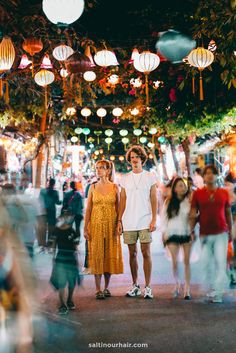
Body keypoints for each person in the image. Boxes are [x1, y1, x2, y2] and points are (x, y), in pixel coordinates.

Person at [117, 145, 157, 299]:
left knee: (146, 252)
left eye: (137, 157)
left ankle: (148, 287)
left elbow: (154, 199)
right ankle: (135, 285)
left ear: (142, 159)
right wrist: (119, 220)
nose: (134, 160)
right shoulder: (125, 178)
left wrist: (154, 218)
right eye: (132, 157)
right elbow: (123, 200)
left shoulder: (150, 177)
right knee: (132, 254)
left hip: (145, 220)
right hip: (128, 221)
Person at [190, 165, 232, 303]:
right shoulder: (198, 194)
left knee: (220, 261)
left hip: (221, 232)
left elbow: (227, 213)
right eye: (207, 173)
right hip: (205, 234)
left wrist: (231, 231)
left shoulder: (224, 193)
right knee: (207, 262)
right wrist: (190, 231)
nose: (209, 176)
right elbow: (193, 214)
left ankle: (218, 292)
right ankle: (214, 287)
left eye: (212, 173)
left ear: (217, 175)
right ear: (203, 177)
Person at [84, 160, 123, 299]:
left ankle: (106, 287)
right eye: (97, 168)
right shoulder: (92, 187)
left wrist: (119, 223)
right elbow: (88, 208)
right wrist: (85, 227)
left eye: (102, 168)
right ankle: (97, 289)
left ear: (108, 170)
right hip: (95, 225)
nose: (99, 170)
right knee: (97, 255)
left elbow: (119, 208)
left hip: (111, 225)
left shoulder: (114, 187)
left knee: (108, 256)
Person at [161, 177, 193, 299]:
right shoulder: (168, 202)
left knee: (186, 262)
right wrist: (164, 233)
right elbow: (164, 218)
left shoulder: (189, 201)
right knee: (174, 262)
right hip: (172, 232)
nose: (183, 188)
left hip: (186, 233)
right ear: (174, 189)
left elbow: (193, 217)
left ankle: (187, 289)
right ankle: (177, 283)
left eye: (184, 185)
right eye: (179, 185)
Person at [50, 211, 80, 315]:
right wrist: (53, 257)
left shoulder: (72, 231)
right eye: (66, 216)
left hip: (71, 259)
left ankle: (69, 300)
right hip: (60, 259)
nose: (68, 218)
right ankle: (62, 304)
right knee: (61, 283)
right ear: (61, 217)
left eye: (69, 215)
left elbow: (76, 247)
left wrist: (78, 260)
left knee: (71, 282)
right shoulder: (56, 230)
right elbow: (53, 245)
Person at [39, 178, 62, 249]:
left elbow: (39, 200)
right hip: (52, 211)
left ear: (48, 183)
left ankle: (43, 244)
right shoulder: (55, 192)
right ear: (54, 184)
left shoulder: (42, 191)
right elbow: (57, 202)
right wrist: (61, 201)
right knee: (51, 227)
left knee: (43, 227)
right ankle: (49, 242)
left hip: (44, 211)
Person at [224, 172, 236, 284]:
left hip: (232, 227)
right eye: (226, 185)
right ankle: (232, 274)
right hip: (229, 228)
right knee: (230, 253)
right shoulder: (224, 196)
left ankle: (232, 273)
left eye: (228, 184)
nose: (227, 187)